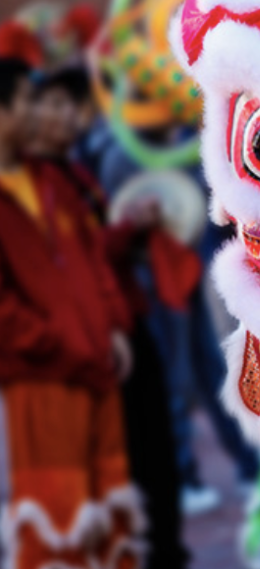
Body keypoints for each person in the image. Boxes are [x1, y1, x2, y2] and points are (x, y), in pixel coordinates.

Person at [28, 66, 190, 567]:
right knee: (133, 454)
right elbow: (71, 258)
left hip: (124, 320)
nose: (64, 117)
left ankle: (165, 547)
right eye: (50, 106)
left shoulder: (72, 171)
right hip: (94, 335)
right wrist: (125, 229)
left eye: (69, 106)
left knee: (152, 449)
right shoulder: (37, 182)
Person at [0, 58, 144, 569]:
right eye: (29, 104)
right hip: (41, 378)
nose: (38, 116)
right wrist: (60, 343)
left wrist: (113, 327)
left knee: (109, 505)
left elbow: (93, 259)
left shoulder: (51, 179)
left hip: (96, 365)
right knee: (55, 518)